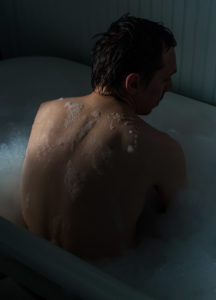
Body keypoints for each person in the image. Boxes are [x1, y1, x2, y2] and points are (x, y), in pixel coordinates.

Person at [20, 13, 188, 261]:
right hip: (102, 284)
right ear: (133, 83)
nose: (170, 88)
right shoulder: (162, 149)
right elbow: (184, 230)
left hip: (29, 266)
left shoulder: (47, 111)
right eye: (166, 78)